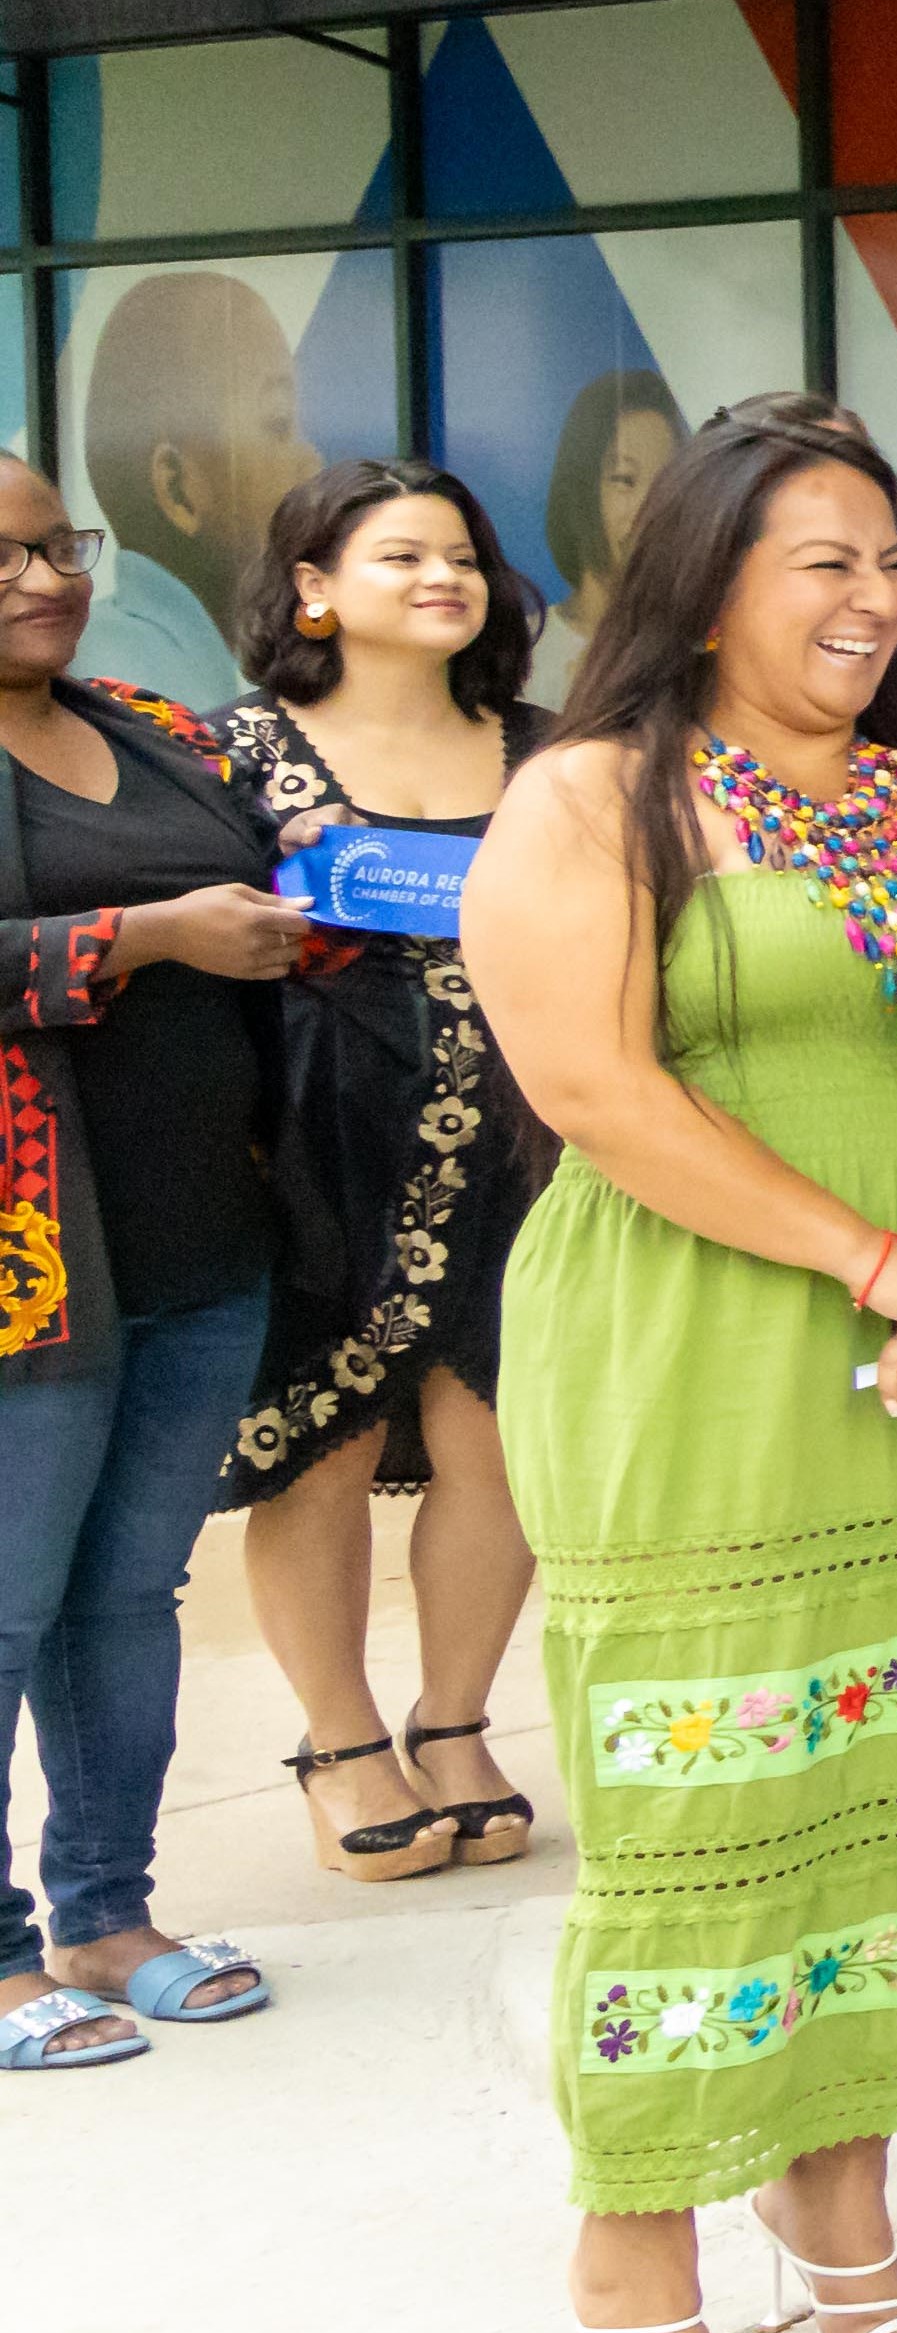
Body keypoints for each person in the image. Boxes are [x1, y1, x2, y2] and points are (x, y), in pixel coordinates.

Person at [461, 400, 897, 2333]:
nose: (869, 596)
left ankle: (834, 2183)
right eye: (815, 559)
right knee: (711, 1811)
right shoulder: (595, 798)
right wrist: (874, 1260)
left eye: (885, 558)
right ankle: (631, 2250)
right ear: (706, 577)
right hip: (704, 1352)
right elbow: (595, 1088)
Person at [215, 460, 563, 1885]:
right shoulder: (234, 751)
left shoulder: (551, 750)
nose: (444, 577)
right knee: (325, 1437)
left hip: (528, 1141)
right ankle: (342, 1735)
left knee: (501, 1439)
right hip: (310, 1148)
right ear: (314, 587)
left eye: (464, 555)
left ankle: (458, 1719)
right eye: (401, 553)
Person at [0, 452, 306, 2073]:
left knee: (125, 1594)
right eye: (4, 557)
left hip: (197, 1237)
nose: (43, 576)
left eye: (58, 546)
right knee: (5, 1606)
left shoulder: (153, 729)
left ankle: (107, 1915)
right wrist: (145, 939)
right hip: (26, 1274)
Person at [73, 270, 323, 706]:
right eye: (279, 423)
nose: (313, 463)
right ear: (179, 489)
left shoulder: (265, 644)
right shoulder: (119, 681)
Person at [523, 367, 684, 708]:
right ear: (580, 491)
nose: (648, 507)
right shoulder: (520, 652)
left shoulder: (701, 651)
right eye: (624, 479)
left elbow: (739, 759)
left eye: (665, 483)